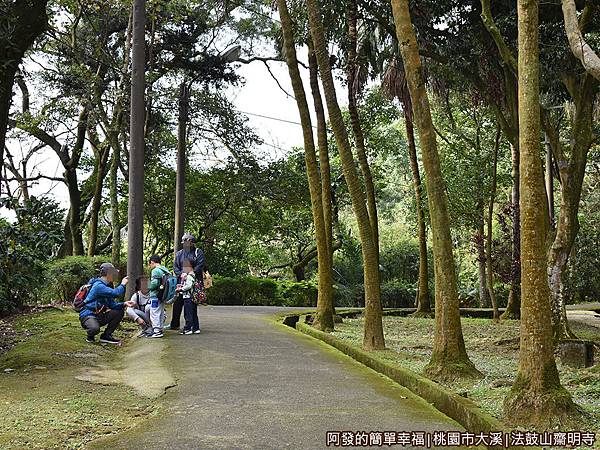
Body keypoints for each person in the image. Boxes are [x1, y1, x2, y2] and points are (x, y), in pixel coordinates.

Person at [80, 262, 133, 344]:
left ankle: (106, 336)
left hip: (99, 315)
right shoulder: (99, 286)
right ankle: (90, 337)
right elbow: (115, 293)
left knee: (118, 312)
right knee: (94, 329)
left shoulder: (105, 286)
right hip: (88, 315)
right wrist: (123, 284)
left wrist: (124, 304)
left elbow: (112, 305)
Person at [168, 233, 205, 330]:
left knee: (191, 305)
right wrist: (180, 274)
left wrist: (191, 273)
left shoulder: (198, 252)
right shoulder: (179, 253)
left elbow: (200, 265)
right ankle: (174, 324)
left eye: (188, 242)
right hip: (181, 282)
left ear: (192, 243)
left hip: (193, 283)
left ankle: (192, 326)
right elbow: (175, 266)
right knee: (177, 304)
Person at [148, 254, 171, 338]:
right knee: (160, 312)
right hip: (163, 295)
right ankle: (160, 329)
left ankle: (157, 331)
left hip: (156, 295)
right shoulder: (165, 270)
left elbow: (154, 283)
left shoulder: (156, 270)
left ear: (152, 262)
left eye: (150, 264)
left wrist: (147, 287)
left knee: (154, 312)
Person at [176, 259, 201, 335]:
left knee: (188, 314)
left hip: (188, 297)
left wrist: (181, 289)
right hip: (193, 297)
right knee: (193, 313)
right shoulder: (194, 275)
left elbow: (189, 286)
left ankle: (188, 328)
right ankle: (196, 328)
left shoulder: (189, 276)